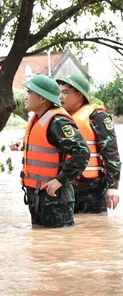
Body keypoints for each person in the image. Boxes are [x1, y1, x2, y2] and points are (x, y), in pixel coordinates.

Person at [11, 74, 89, 228]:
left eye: (29, 93)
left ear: (42, 99)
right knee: (41, 246)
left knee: (59, 247)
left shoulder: (58, 121)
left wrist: (61, 180)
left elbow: (82, 152)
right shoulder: (39, 119)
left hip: (55, 199)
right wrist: (22, 143)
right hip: (37, 196)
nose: (26, 97)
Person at [56, 74, 120, 213]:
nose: (60, 96)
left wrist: (113, 187)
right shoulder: (60, 118)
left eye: (65, 92)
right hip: (66, 185)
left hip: (92, 187)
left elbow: (111, 152)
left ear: (79, 95)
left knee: (93, 229)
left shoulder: (98, 117)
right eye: (59, 92)